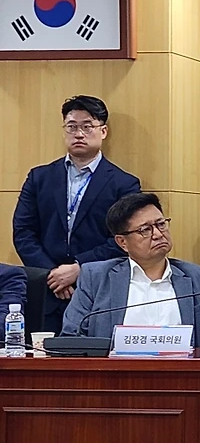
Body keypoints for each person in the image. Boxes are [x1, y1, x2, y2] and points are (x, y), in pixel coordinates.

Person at [12, 95, 141, 331]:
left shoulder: (124, 184)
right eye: (72, 126)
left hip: (98, 290)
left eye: (87, 126)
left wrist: (80, 268)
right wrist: (52, 274)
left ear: (103, 131)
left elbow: (124, 239)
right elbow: (23, 231)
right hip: (47, 291)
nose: (79, 134)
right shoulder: (39, 178)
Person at [61, 193, 200, 348]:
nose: (158, 234)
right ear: (122, 242)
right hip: (115, 372)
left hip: (183, 372)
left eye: (161, 224)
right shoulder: (96, 277)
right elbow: (72, 337)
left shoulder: (198, 278)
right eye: (145, 230)